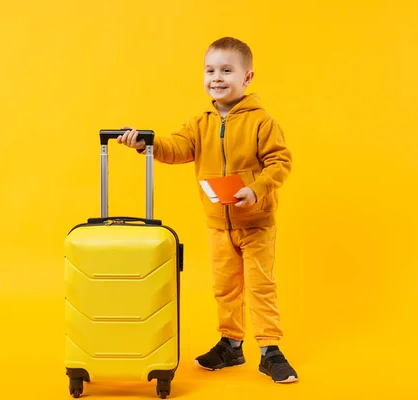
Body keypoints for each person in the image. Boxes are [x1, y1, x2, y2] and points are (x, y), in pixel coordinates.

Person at [117, 36, 298, 383]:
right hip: (218, 223)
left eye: (226, 70)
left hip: (256, 222)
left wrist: (255, 190)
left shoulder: (262, 122)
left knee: (260, 286)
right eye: (210, 70)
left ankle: (270, 350)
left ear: (247, 78)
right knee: (225, 287)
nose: (216, 77)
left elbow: (280, 163)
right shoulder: (199, 123)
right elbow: (176, 147)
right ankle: (231, 345)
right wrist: (146, 143)